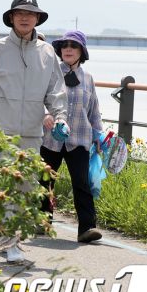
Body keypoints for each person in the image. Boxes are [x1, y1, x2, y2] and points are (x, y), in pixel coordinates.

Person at [0, 0, 68, 262]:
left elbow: (56, 89)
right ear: (11, 18)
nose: (24, 17)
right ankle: (9, 243)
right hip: (2, 135)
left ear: (37, 19)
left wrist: (60, 116)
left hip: (32, 134)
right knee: (6, 189)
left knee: (27, 190)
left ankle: (10, 238)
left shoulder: (46, 53)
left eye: (30, 14)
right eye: (19, 13)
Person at [40, 30, 103, 243]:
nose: (68, 49)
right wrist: (45, 114)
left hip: (80, 138)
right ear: (59, 50)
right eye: (65, 45)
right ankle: (43, 221)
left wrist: (99, 135)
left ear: (81, 52)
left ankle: (87, 228)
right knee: (45, 180)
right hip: (51, 137)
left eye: (73, 46)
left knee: (82, 183)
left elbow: (93, 109)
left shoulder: (88, 78)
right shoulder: (49, 72)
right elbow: (37, 99)